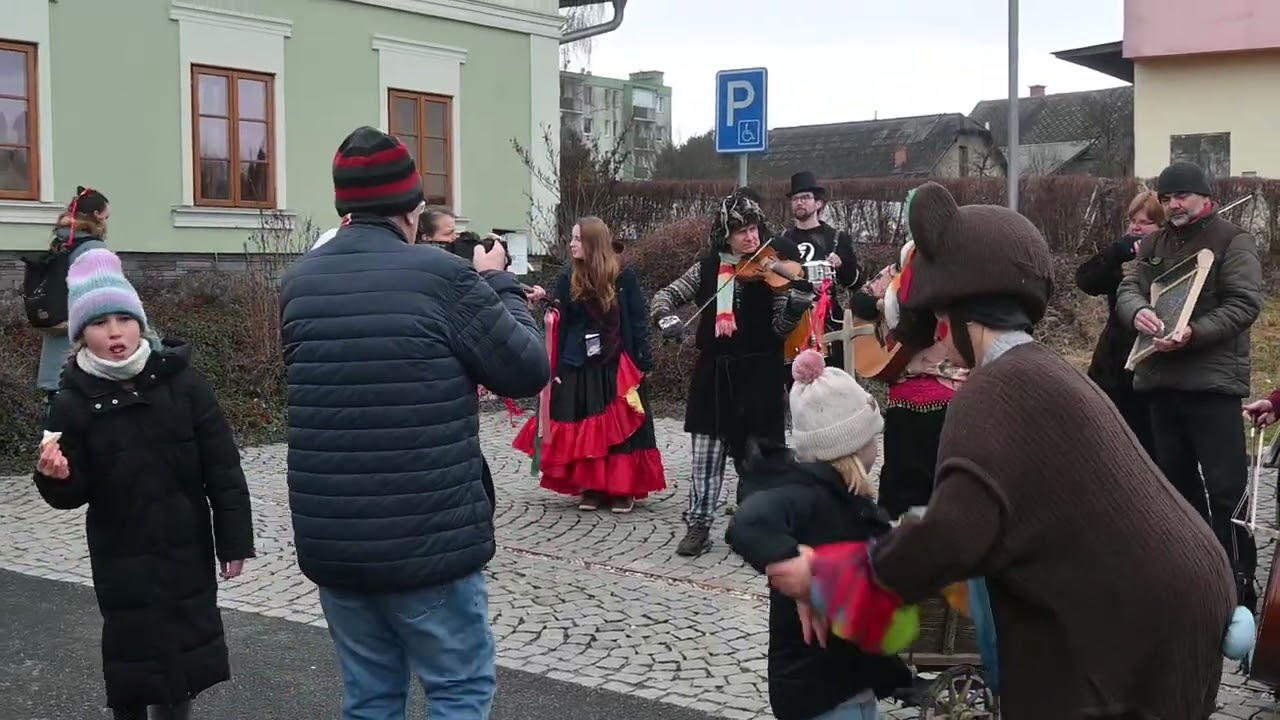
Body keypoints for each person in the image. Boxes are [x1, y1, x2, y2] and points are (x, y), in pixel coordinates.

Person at [765, 181, 1244, 720]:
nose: (939, 343)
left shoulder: (995, 391)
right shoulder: (1041, 368)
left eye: (939, 326)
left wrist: (830, 576)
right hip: (1180, 596)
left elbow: (952, 535)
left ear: (954, 315)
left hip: (1143, 622)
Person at [279, 126, 551, 719]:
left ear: (343, 203)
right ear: (412, 208)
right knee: (457, 691)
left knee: (371, 698)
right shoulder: (442, 277)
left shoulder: (299, 282)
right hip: (427, 538)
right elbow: (527, 369)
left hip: (336, 539)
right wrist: (497, 281)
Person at [33, 248, 255, 720]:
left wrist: (233, 540)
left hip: (185, 544)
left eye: (122, 318)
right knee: (133, 664)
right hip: (121, 552)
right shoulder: (72, 401)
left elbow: (223, 468)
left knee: (182, 664)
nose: (114, 332)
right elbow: (73, 494)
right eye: (98, 323)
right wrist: (54, 477)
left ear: (140, 323)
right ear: (79, 335)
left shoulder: (185, 383)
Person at [728, 350, 911, 720]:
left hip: (850, 685)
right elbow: (748, 521)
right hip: (818, 694)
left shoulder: (850, 504)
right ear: (856, 445)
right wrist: (796, 561)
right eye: (874, 437)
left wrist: (895, 678)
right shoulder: (806, 498)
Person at [1115, 160, 1263, 611]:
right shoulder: (1154, 242)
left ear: (1205, 198)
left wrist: (1193, 333)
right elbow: (1128, 287)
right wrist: (1137, 310)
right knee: (1175, 488)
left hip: (1213, 387)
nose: (1173, 203)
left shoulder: (1233, 241)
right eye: (1166, 196)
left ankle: (1239, 582)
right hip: (1161, 382)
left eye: (1181, 195)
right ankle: (1196, 572)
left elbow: (1243, 304)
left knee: (1226, 490)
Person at [650, 189, 812, 557]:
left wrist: (794, 310)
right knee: (705, 456)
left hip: (760, 375)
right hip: (715, 374)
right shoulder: (708, 268)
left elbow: (779, 330)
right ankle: (699, 525)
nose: (751, 238)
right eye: (741, 231)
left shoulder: (774, 268)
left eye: (754, 229)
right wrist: (666, 318)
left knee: (759, 460)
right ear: (726, 235)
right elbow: (663, 296)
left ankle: (755, 525)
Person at [513, 217, 666, 513]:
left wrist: (643, 360)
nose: (571, 244)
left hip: (617, 359)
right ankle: (593, 487)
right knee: (585, 421)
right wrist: (545, 300)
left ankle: (623, 489)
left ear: (594, 243)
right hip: (579, 360)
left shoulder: (624, 274)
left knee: (621, 425)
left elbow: (637, 319)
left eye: (577, 239)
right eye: (572, 238)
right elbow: (561, 312)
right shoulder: (569, 273)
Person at [847, 216, 967, 520]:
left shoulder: (956, 276)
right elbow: (859, 300)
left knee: (939, 463)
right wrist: (884, 306)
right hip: (902, 381)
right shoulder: (898, 272)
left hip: (949, 383)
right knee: (901, 461)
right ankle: (894, 526)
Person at [1073, 190, 1162, 456]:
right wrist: (1114, 254)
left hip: (1151, 370)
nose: (1136, 227)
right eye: (1133, 220)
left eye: (1146, 222)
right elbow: (1086, 280)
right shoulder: (1122, 258)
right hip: (1112, 367)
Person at [35, 187, 110, 419]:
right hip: (81, 354)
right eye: (107, 217)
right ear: (97, 215)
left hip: (56, 337)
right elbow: (104, 300)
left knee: (55, 429)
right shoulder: (92, 249)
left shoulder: (61, 242)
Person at [778, 172, 862, 372]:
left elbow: (855, 282)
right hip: (794, 321)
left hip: (828, 322)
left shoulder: (836, 238)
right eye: (795, 199)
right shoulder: (782, 240)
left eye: (805, 197)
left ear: (818, 204)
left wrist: (841, 264)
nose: (799, 202)